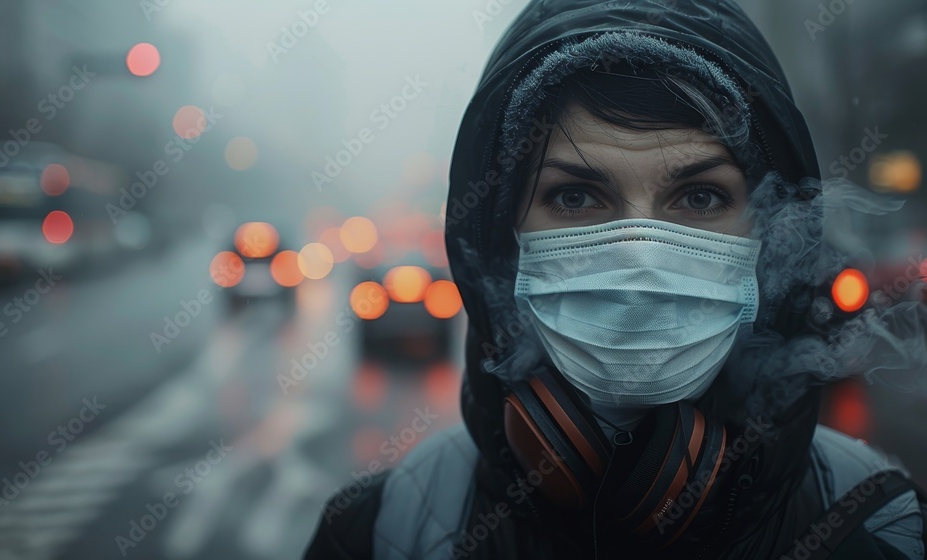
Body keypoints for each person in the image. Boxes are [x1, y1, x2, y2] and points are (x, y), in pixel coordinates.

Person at [304, 0, 927, 558]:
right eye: (575, 198)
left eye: (702, 197)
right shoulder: (385, 532)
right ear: (502, 239)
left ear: (767, 239)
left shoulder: (875, 525)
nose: (638, 257)